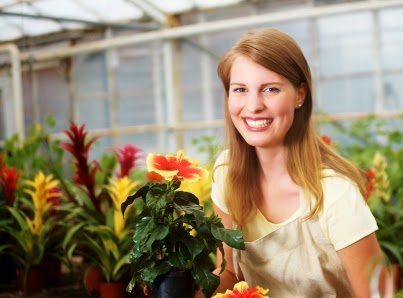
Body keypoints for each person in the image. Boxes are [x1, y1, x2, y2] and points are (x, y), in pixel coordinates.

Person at [209, 28, 385, 298]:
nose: (253, 105)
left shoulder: (335, 195)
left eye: (270, 89)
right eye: (240, 89)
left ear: (300, 95)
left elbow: (378, 295)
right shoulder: (227, 173)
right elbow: (230, 273)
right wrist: (191, 287)